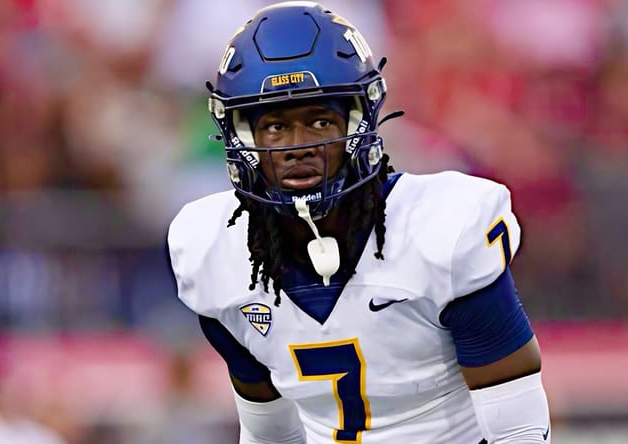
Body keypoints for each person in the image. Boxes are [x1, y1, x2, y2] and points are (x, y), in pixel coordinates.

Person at [167, 2, 551, 443]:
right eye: (274, 127)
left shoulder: (444, 229)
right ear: (241, 137)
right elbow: (268, 432)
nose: (298, 146)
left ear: (360, 122)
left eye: (320, 121)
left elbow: (517, 427)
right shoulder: (215, 250)